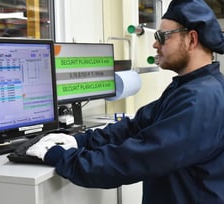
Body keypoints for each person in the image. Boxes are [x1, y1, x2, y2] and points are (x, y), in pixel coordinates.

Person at [27, 0, 224, 203]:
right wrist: (80, 140)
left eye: (161, 37)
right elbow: (135, 127)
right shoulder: (188, 87)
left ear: (191, 39)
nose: (155, 44)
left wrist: (61, 157)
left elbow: (135, 159)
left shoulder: (201, 99)